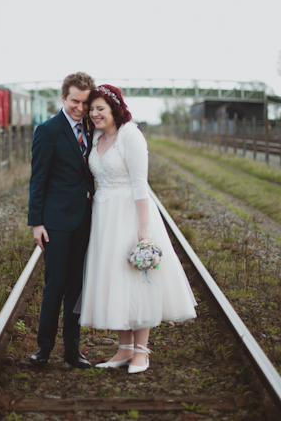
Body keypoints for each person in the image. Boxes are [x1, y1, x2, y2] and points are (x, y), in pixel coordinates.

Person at [77, 84, 197, 374]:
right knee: (115, 279)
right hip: (105, 217)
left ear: (115, 108)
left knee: (136, 279)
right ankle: (124, 349)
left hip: (130, 214)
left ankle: (141, 352)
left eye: (100, 109)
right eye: (91, 109)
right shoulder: (96, 139)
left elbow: (140, 185)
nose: (94, 114)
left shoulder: (130, 135)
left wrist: (145, 229)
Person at [27, 72, 96, 369]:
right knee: (55, 284)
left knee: (77, 286)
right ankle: (43, 348)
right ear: (63, 98)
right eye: (74, 101)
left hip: (85, 220)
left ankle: (72, 350)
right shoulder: (48, 130)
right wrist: (36, 222)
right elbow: (38, 178)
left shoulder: (93, 130)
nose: (80, 108)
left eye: (84, 102)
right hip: (55, 221)